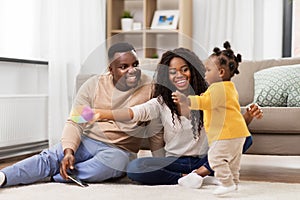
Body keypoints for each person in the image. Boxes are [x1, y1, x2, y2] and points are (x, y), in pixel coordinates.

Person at [92, 47, 263, 187]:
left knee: (245, 138)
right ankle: (186, 177)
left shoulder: (208, 97)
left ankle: (201, 173)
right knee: (135, 168)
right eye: (172, 72)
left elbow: (232, 129)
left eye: (184, 69)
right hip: (175, 161)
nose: (179, 75)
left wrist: (247, 116)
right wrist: (100, 113)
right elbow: (133, 112)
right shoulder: (161, 102)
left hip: (206, 158)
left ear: (193, 71)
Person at [0, 42, 158, 188]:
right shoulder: (93, 86)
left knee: (115, 162)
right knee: (51, 157)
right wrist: (69, 151)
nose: (132, 71)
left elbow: (159, 123)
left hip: (119, 150)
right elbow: (76, 122)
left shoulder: (150, 87)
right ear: (111, 69)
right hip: (88, 140)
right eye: (124, 66)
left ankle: (58, 176)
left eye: (135, 64)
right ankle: (4, 177)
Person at [172, 41, 252, 195]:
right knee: (233, 162)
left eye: (208, 70)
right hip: (239, 133)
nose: (205, 73)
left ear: (220, 72)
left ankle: (227, 183)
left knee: (215, 158)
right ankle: (233, 182)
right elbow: (214, 102)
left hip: (225, 134)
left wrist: (186, 100)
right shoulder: (229, 88)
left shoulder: (216, 88)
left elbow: (205, 102)